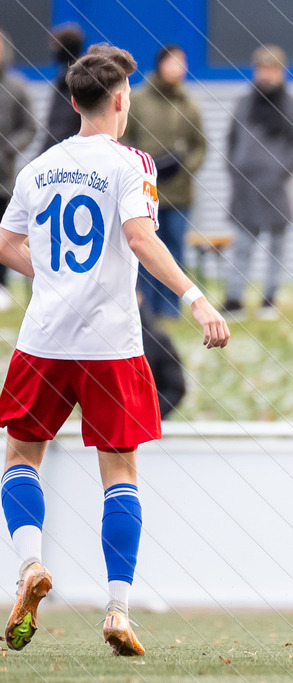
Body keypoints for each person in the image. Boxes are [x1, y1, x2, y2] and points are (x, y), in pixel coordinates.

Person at [0, 45, 229, 656]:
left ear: (73, 102)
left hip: (44, 338)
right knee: (120, 473)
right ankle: (118, 610)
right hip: (111, 343)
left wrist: (49, 275)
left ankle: (29, 568)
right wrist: (194, 296)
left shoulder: (37, 167)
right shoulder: (133, 164)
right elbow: (139, 236)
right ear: (121, 101)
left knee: (22, 455)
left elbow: (6, 242)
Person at [123, 45, 208, 319]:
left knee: (174, 251)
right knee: (145, 250)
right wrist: (139, 168)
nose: (177, 68)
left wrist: (186, 168)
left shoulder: (189, 104)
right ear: (160, 64)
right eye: (172, 62)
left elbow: (200, 145)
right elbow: (124, 137)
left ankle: (171, 309)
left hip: (180, 194)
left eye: (182, 63)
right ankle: (144, 309)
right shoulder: (138, 100)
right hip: (145, 192)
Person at [224, 45, 293, 319]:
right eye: (262, 69)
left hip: (276, 188)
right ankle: (234, 299)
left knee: (277, 247)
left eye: (272, 69)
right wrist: (235, 168)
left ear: (281, 72)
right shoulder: (244, 103)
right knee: (243, 247)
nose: (266, 75)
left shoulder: (292, 106)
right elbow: (231, 140)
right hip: (245, 187)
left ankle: (269, 299)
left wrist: (281, 171)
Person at [0, 31, 37, 312]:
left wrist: (8, 149)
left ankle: (1, 286)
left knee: (4, 231)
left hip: (4, 177)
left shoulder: (17, 87)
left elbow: (29, 128)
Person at [40, 23, 85, 151]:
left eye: (57, 46)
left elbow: (62, 126)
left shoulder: (79, 82)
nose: (54, 51)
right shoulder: (62, 80)